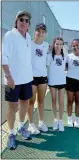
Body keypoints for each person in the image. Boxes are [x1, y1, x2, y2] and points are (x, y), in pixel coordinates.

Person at [2, 11, 33, 150]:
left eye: (26, 20)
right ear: (16, 21)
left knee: (25, 103)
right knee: (13, 107)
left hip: (26, 79)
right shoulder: (9, 35)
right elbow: (3, 57)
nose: (24, 22)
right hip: (13, 80)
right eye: (21, 19)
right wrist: (8, 76)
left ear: (28, 24)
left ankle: (21, 127)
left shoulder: (28, 37)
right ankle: (11, 134)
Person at [27, 23, 49, 134]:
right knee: (31, 101)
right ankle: (31, 124)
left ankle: (41, 122)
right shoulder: (29, 44)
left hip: (43, 77)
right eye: (38, 31)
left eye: (43, 31)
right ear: (34, 31)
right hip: (31, 77)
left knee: (41, 100)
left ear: (45, 33)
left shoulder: (46, 45)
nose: (40, 33)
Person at [47, 37, 66, 132]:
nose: (59, 46)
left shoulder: (65, 57)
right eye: (57, 44)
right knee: (53, 101)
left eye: (60, 44)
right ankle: (55, 120)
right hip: (52, 82)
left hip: (62, 82)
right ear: (54, 45)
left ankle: (61, 120)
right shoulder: (49, 56)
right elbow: (46, 67)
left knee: (61, 102)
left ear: (62, 46)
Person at [66, 39, 79, 128]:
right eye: (73, 45)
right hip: (69, 81)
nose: (76, 47)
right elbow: (64, 67)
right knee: (70, 101)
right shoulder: (68, 56)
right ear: (71, 46)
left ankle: (77, 119)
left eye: (77, 45)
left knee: (78, 102)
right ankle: (69, 119)